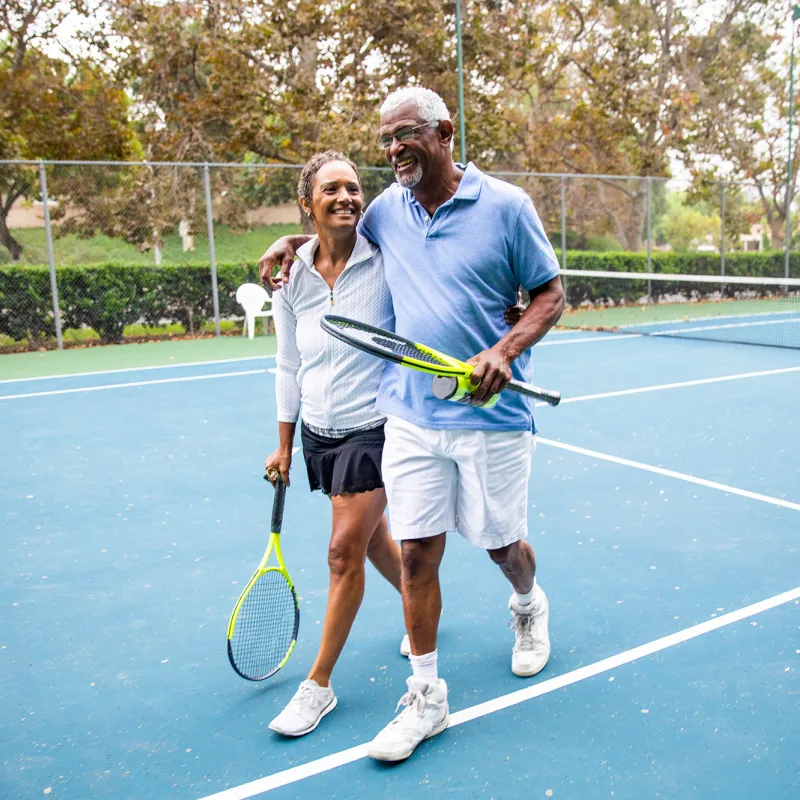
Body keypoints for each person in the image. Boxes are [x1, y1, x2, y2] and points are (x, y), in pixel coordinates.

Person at [259, 88, 565, 762]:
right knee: (419, 554)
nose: (394, 149)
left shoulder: (507, 208)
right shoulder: (386, 214)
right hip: (410, 416)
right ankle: (427, 695)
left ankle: (527, 602)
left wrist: (503, 351)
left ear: (444, 131)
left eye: (406, 135)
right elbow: (333, 232)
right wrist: (294, 240)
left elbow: (551, 292)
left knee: (500, 546)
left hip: (494, 418)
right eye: (386, 140)